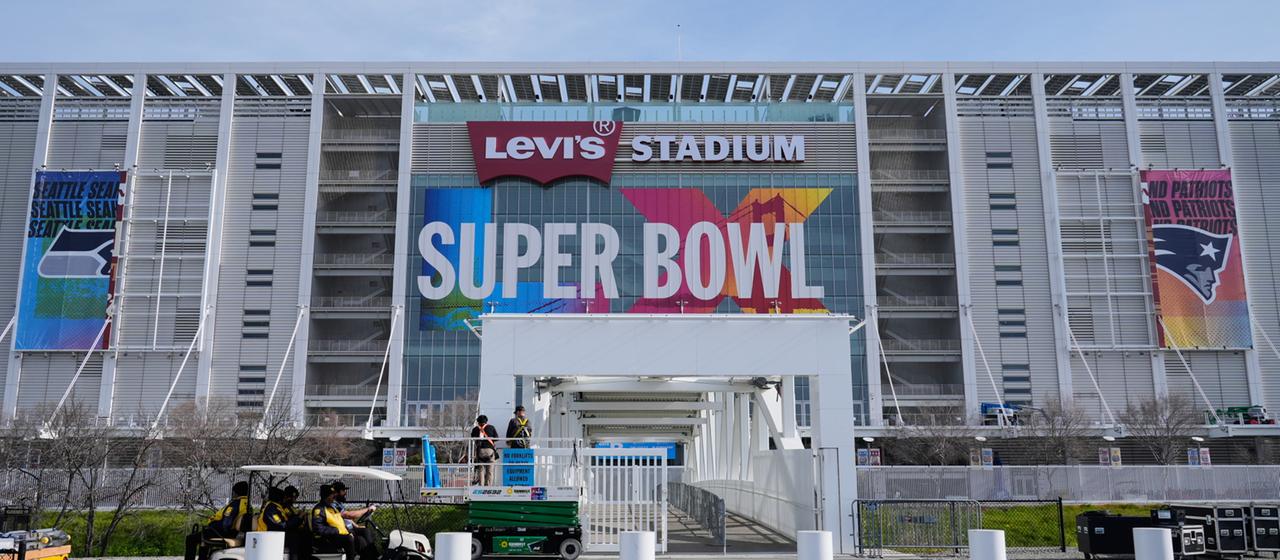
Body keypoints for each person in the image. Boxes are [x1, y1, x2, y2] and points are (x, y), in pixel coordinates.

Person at [185, 481, 251, 560]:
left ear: (235, 493)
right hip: (234, 533)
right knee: (203, 535)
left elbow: (226, 524)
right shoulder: (247, 504)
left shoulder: (234, 505)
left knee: (191, 538)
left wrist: (213, 526)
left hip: (225, 533)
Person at [332, 480, 379, 560]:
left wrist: (357, 526)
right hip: (342, 531)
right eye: (343, 491)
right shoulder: (333, 505)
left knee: (366, 531)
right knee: (361, 541)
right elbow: (349, 515)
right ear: (336, 492)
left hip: (349, 528)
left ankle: (374, 555)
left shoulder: (339, 504)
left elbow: (347, 519)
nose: (345, 493)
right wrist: (367, 509)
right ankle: (371, 556)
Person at [256, 486, 305, 560]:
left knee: (301, 535)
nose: (285, 499)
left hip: (275, 535)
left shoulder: (277, 507)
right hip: (267, 537)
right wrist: (299, 518)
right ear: (278, 498)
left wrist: (298, 518)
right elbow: (282, 525)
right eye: (284, 497)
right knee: (296, 538)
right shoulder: (271, 509)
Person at [470, 414, 500, 486]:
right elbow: (496, 438)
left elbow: (473, 438)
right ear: (486, 421)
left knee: (481, 470)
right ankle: (488, 487)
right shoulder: (491, 427)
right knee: (490, 471)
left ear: (478, 422)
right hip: (489, 451)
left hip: (480, 451)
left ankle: (481, 486)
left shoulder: (475, 429)